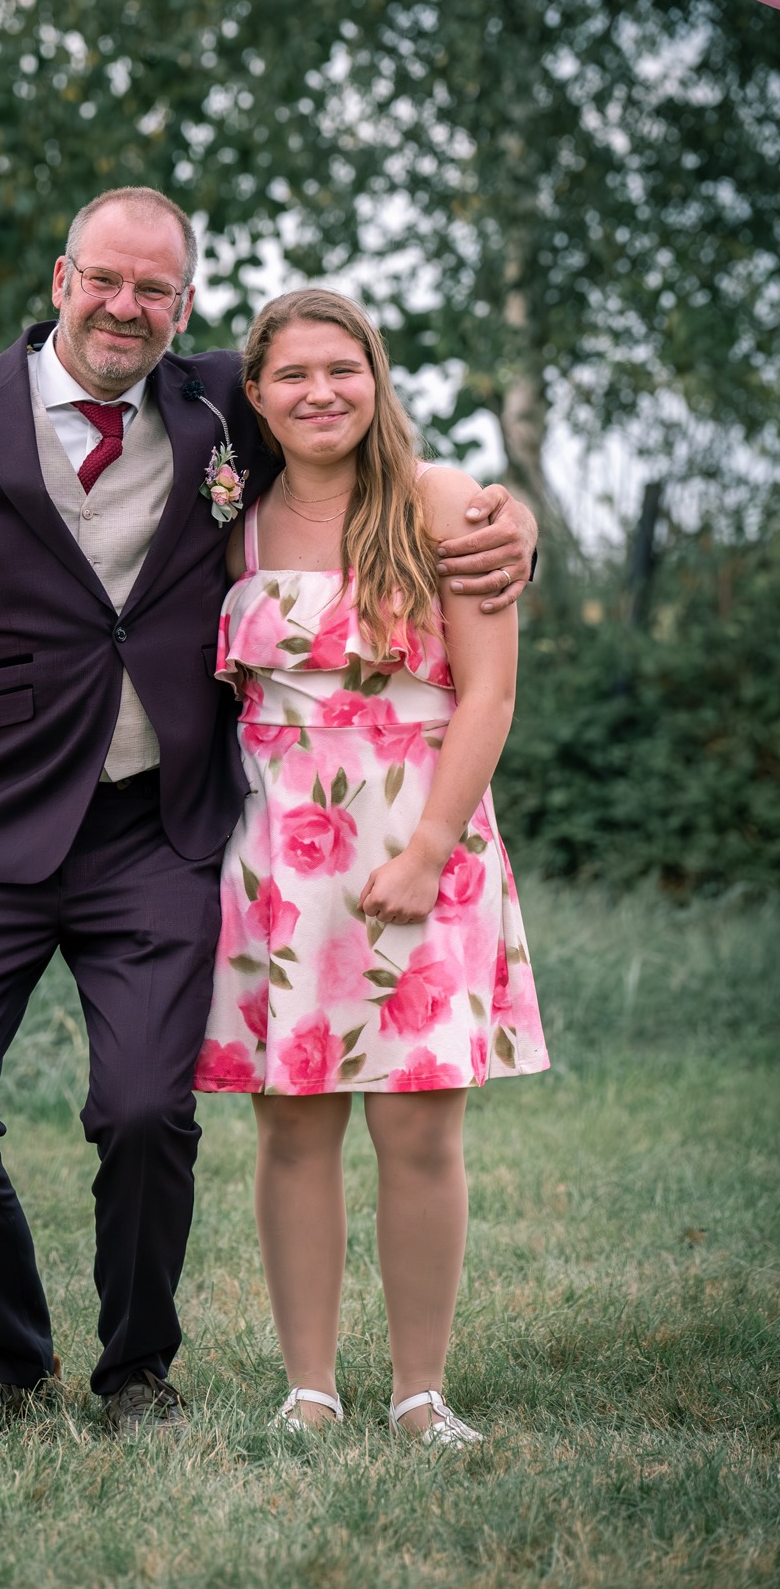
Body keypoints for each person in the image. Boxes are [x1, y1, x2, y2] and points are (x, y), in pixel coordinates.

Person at [0, 189, 538, 1438]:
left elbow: (376, 449)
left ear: (185, 306)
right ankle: (10, 1356)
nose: (125, 307)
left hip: (163, 829)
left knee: (148, 1112)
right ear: (61, 278)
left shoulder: (221, 404)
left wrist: (512, 519)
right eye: (105, 279)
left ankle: (138, 1371)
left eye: (155, 289)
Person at [194, 288, 548, 1445]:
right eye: (293, 374)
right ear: (255, 393)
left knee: (418, 1130)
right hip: (279, 856)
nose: (322, 392)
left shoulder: (440, 502)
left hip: (421, 835)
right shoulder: (235, 524)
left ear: (377, 377)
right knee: (293, 1128)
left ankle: (418, 1394)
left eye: (343, 368)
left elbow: (489, 692)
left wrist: (430, 847)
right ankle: (309, 1391)